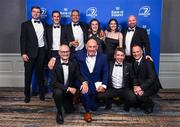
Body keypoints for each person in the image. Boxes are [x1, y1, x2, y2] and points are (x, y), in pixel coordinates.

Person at [75, 38, 108, 122]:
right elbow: (65, 55)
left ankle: (85, 99)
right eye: (90, 47)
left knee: (94, 107)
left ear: (97, 47)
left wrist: (104, 85)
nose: (92, 49)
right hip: (84, 81)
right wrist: (53, 58)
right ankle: (87, 112)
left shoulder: (103, 57)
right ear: (86, 47)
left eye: (94, 47)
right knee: (85, 92)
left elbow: (105, 72)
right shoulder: (79, 54)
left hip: (96, 83)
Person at [51, 45, 86, 124]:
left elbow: (78, 75)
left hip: (69, 90)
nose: (65, 54)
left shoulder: (74, 62)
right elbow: (54, 82)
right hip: (59, 88)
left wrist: (84, 82)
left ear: (69, 52)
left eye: (67, 52)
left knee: (70, 110)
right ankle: (59, 112)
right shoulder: (54, 64)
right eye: (63, 52)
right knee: (58, 93)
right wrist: (68, 88)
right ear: (59, 53)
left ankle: (65, 101)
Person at [20, 6, 47, 103]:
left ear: (40, 14)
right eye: (34, 12)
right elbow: (22, 39)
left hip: (41, 52)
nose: (36, 13)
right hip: (29, 53)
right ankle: (27, 95)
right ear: (31, 13)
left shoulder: (44, 24)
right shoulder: (25, 24)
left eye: (38, 12)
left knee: (41, 75)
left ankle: (42, 94)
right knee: (28, 75)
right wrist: (23, 53)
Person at [98, 47, 136, 111]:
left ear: (124, 56)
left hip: (124, 89)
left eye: (122, 55)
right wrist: (101, 85)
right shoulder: (109, 64)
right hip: (112, 88)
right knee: (100, 95)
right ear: (114, 56)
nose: (120, 57)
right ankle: (109, 103)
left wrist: (135, 86)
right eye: (118, 55)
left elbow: (133, 78)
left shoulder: (129, 65)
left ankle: (126, 105)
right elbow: (103, 75)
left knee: (133, 98)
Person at [131, 44, 161, 114]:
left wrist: (141, 88)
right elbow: (135, 77)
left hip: (152, 86)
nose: (136, 54)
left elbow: (152, 79)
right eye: (134, 52)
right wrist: (135, 86)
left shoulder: (148, 61)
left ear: (142, 52)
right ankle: (142, 102)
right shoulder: (134, 62)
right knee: (133, 95)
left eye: (137, 52)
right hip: (143, 84)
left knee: (140, 96)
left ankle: (150, 104)